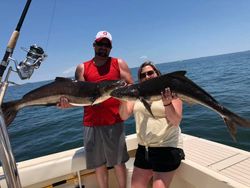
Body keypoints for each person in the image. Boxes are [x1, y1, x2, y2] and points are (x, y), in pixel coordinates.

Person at [58, 31, 133, 188]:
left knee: (118, 162)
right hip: (91, 123)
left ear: (110, 48)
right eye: (100, 44)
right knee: (99, 164)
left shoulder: (118, 63)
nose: (103, 47)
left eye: (107, 45)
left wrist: (128, 109)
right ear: (94, 45)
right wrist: (67, 104)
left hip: (114, 121)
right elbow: (80, 97)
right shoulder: (82, 68)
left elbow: (132, 88)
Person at [119, 61, 185, 188]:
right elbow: (123, 116)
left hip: (167, 148)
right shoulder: (137, 94)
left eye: (150, 73)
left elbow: (176, 121)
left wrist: (167, 104)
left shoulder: (169, 92)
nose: (147, 76)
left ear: (157, 74)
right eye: (143, 75)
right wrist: (122, 100)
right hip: (144, 150)